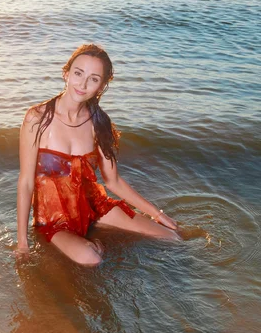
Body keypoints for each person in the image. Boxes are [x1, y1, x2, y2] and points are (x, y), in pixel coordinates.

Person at [17, 44, 180, 266]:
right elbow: (26, 182)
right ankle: (96, 243)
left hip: (95, 207)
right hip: (54, 219)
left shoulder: (99, 122)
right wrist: (22, 243)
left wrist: (159, 215)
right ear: (66, 73)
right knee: (91, 258)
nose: (83, 84)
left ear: (102, 85)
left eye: (93, 79)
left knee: (171, 237)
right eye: (78, 73)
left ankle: (97, 236)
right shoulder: (37, 118)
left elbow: (113, 180)